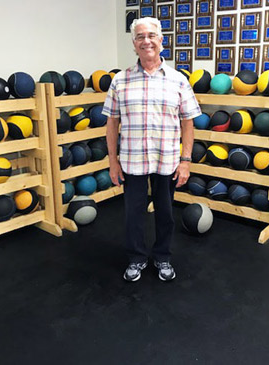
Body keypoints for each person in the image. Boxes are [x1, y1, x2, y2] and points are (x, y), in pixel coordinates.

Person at [102, 17, 201, 282]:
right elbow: (112, 124)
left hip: (167, 160)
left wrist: (186, 161)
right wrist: (112, 161)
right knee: (133, 215)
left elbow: (188, 123)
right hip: (131, 161)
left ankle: (162, 257)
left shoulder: (178, 80)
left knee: (166, 213)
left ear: (161, 40)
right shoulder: (119, 81)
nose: (146, 41)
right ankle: (136, 258)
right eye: (140, 37)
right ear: (134, 44)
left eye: (151, 35)